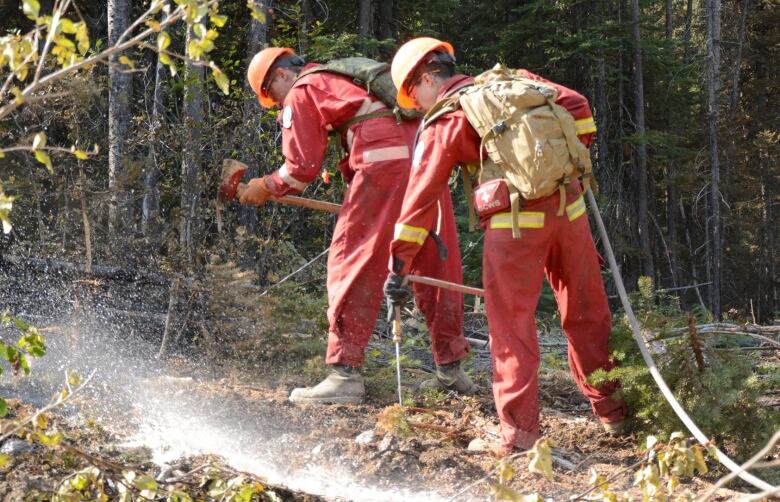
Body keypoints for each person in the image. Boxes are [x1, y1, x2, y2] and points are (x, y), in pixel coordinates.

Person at [384, 37, 628, 453]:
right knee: (587, 313)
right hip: (570, 211)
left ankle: (518, 438)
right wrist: (557, 167)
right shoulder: (516, 81)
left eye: (415, 97)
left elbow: (420, 199)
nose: (418, 107)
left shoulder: (448, 118)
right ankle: (614, 414)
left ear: (426, 79)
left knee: (511, 328)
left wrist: (399, 263)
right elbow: (580, 109)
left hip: (514, 226)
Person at [242, 47, 476, 404]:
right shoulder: (346, 80)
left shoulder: (304, 89)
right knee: (435, 262)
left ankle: (344, 374)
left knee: (351, 260)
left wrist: (265, 186)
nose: (277, 104)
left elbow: (300, 168)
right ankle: (452, 370)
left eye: (273, 96)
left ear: (280, 77)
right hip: (426, 159)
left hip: (384, 167)